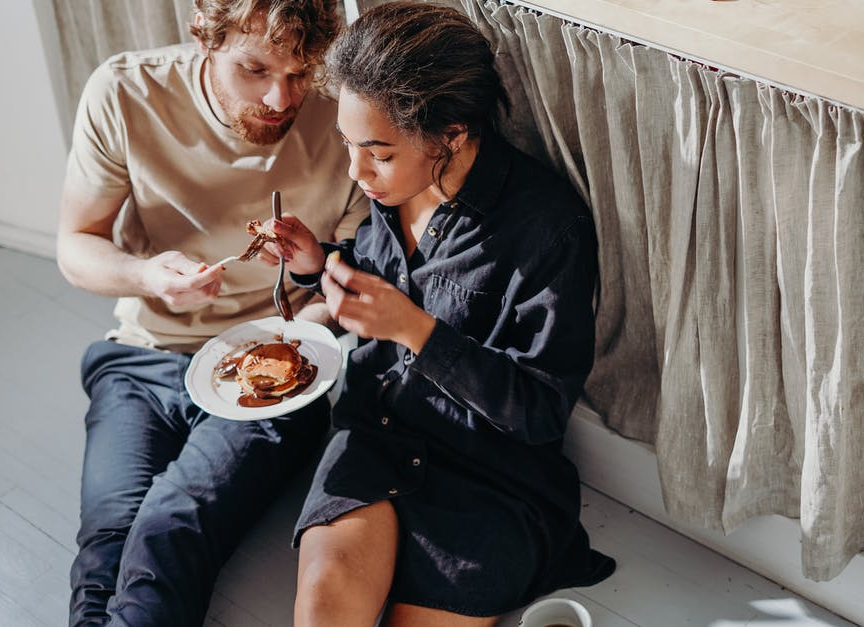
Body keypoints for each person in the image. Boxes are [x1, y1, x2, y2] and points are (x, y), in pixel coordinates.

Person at [261, 3, 616, 625]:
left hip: (490, 478)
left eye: (378, 152)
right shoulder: (389, 189)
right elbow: (382, 283)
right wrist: (319, 265)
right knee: (325, 604)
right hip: (376, 436)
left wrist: (417, 333)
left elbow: (537, 411)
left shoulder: (547, 228)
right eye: (349, 145)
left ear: (450, 134)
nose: (357, 171)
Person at [54, 0, 365, 624]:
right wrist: (147, 277)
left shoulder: (348, 115)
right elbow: (75, 245)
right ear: (206, 38)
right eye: (255, 69)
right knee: (108, 537)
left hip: (284, 371)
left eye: (301, 73)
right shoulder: (125, 93)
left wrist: (296, 339)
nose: (282, 98)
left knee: (172, 526)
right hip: (143, 356)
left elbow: (355, 278)